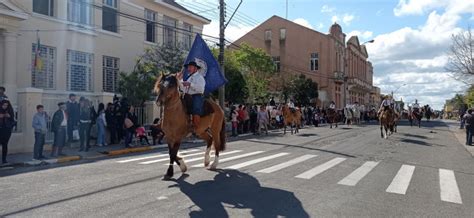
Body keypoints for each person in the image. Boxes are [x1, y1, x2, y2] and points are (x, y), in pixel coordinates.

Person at [177, 61, 206, 134]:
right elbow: (183, 89)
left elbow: (201, 89)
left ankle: (196, 127)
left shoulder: (200, 77)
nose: (188, 68)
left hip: (196, 95)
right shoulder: (189, 78)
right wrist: (179, 80)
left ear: (195, 68)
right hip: (187, 96)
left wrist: (190, 84)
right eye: (188, 67)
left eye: (190, 67)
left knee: (196, 108)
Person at [0, 100, 15, 165]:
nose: (5, 107)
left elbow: (13, 120)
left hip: (6, 130)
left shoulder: (10, 110)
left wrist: (9, 116)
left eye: (6, 105)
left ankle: (4, 160)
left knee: (5, 145)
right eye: (4, 105)